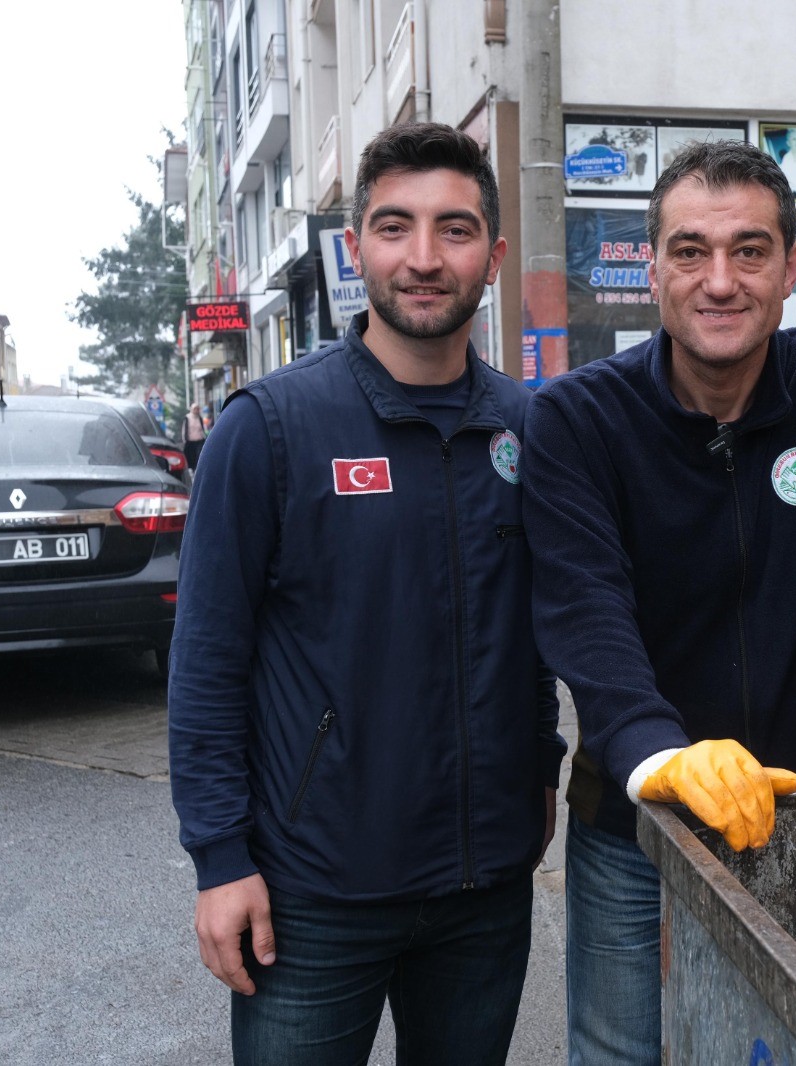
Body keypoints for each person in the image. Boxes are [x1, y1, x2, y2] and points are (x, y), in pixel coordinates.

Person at [523, 139, 796, 1065]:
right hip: (639, 830)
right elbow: (584, 606)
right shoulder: (576, 418)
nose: (719, 280)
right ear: (652, 269)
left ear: (792, 266)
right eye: (690, 251)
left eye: (749, 251)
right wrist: (658, 754)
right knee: (623, 1056)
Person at [167, 123, 564, 1066]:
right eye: (395, 227)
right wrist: (220, 858)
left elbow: (541, 629)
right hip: (312, 895)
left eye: (455, 230)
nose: (424, 258)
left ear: (494, 256)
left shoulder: (534, 429)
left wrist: (540, 764)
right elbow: (208, 662)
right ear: (357, 249)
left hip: (484, 890)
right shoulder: (268, 430)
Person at [181, 401, 206, 470]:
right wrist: (184, 440)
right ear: (192, 409)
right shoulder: (187, 418)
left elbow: (202, 429)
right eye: (195, 409)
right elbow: (184, 430)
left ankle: (198, 469)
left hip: (199, 440)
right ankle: (192, 469)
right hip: (190, 441)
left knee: (199, 455)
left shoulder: (200, 418)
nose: (196, 410)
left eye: (198, 409)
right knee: (190, 457)